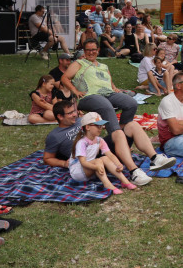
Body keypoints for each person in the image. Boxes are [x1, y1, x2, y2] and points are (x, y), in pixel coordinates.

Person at [58, 41, 176, 184]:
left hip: (107, 94)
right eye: (88, 50)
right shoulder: (79, 63)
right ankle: (134, 172)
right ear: (84, 51)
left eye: (94, 50)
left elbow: (108, 82)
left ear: (98, 50)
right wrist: (75, 91)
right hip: (89, 96)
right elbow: (64, 78)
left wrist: (115, 89)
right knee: (107, 108)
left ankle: (154, 158)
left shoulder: (104, 66)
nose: (91, 52)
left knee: (130, 104)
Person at [68, 112, 136, 195]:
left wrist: (118, 164)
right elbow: (83, 162)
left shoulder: (99, 140)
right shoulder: (82, 143)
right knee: (98, 161)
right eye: (97, 126)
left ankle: (125, 181)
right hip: (79, 172)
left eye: (101, 125)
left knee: (104, 158)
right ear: (87, 127)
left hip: (90, 168)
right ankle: (108, 185)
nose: (101, 128)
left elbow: (109, 154)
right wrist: (95, 167)